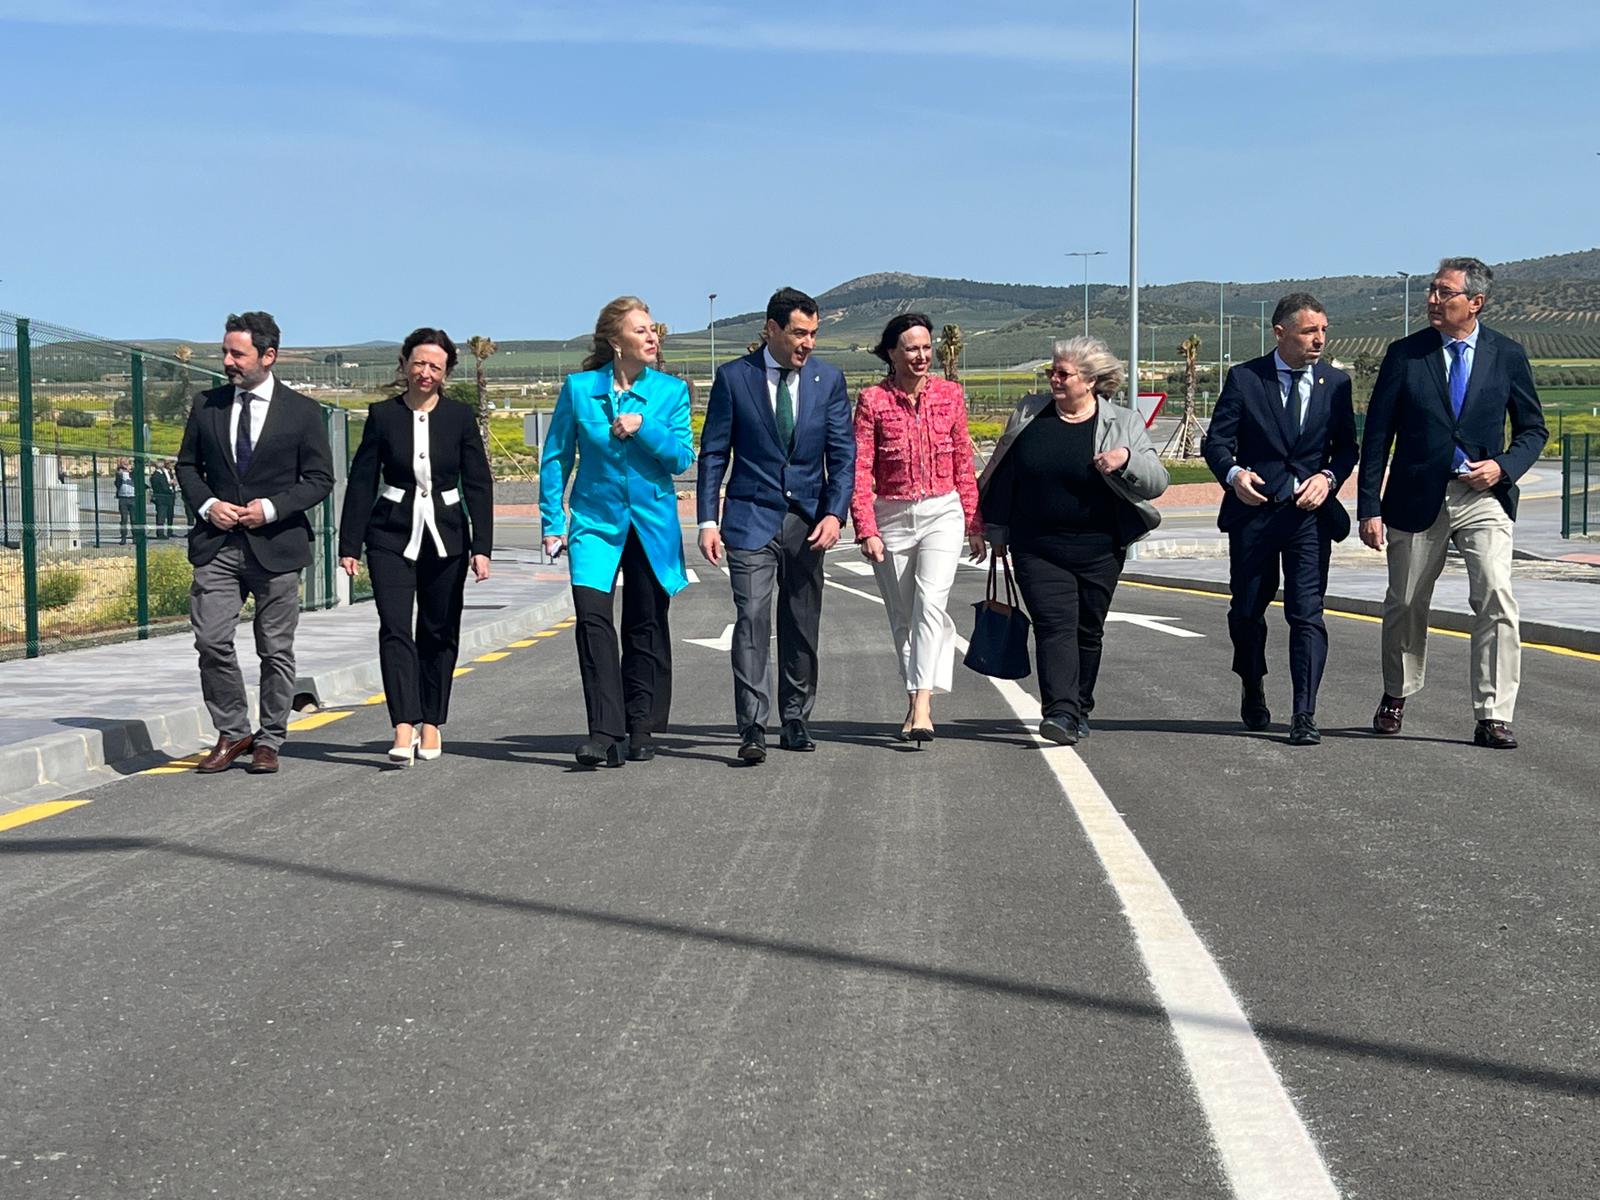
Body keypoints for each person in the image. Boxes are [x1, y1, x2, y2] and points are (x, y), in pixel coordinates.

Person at [1358, 256, 1548, 749]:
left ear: (1476, 302)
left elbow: (1533, 430)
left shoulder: (1507, 354)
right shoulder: (1405, 355)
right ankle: (1396, 691)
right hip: (1416, 496)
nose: (1433, 300)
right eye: (1431, 290)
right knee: (1405, 600)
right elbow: (1377, 436)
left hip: (1483, 495)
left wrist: (1503, 467)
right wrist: (1369, 507)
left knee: (1496, 597)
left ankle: (1493, 712)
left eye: (1445, 292)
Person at [979, 336, 1169, 746]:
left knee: (1088, 630)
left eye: (1062, 373)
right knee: (1054, 626)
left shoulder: (1123, 423)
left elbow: (1157, 482)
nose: (1054, 379)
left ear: (1090, 380)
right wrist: (993, 531)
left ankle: (1080, 706)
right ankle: (1060, 712)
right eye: (1052, 371)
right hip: (1037, 546)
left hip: (1101, 548)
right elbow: (1004, 473)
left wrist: (1126, 460)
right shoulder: (1030, 413)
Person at [696, 287, 856, 763]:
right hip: (749, 519)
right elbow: (713, 453)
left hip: (808, 522)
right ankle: (752, 726)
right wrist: (708, 519)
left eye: (813, 334)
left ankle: (795, 717)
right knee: (751, 620)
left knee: (801, 622)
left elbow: (842, 456)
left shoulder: (828, 380)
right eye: (798, 333)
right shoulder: (733, 379)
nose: (807, 343)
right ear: (771, 330)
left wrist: (834, 512)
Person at [176, 311, 335, 775]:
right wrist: (208, 505)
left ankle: (269, 739)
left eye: (237, 353)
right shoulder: (207, 405)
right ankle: (232, 730)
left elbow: (320, 479)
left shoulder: (303, 412)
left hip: (278, 547)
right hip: (217, 545)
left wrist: (271, 507)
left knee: (275, 650)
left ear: (268, 356)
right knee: (211, 640)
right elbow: (187, 467)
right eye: (225, 352)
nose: (227, 361)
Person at [540, 297, 694, 768]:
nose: (653, 338)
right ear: (615, 341)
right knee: (592, 623)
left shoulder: (671, 392)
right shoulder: (579, 389)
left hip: (651, 525)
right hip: (594, 524)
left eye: (655, 330)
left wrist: (644, 427)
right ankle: (604, 732)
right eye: (642, 330)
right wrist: (553, 522)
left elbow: (681, 459)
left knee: (645, 625)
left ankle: (642, 726)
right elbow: (556, 458)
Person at [1203, 293, 1358, 746]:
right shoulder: (1245, 379)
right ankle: (1252, 684)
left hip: (1308, 518)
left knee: (1307, 614)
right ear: (1280, 333)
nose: (1320, 339)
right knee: (1247, 612)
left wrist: (1328, 478)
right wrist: (1234, 475)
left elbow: (1347, 449)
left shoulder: (1336, 383)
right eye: (1310, 331)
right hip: (1254, 515)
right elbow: (1216, 443)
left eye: (1324, 330)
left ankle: (1304, 713)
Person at [338, 328, 493, 766]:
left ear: (446, 374)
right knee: (394, 627)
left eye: (435, 367)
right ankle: (403, 725)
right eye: (419, 363)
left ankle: (432, 722)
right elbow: (363, 480)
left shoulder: (459, 417)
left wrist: (482, 545)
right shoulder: (382, 415)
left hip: (447, 537)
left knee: (439, 630)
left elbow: (478, 484)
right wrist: (350, 543)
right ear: (404, 363)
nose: (425, 373)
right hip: (390, 535)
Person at [851, 313, 985, 743]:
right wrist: (866, 527)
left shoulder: (951, 395)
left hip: (941, 511)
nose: (922, 356)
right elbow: (859, 468)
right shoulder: (873, 400)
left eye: (927, 347)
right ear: (891, 353)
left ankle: (923, 703)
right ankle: (913, 697)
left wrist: (973, 521)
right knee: (903, 615)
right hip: (891, 515)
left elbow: (964, 459)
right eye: (912, 348)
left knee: (931, 603)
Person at [149, 458, 178, 539]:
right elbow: (159, 485)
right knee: (161, 516)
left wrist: (173, 484)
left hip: (170, 497)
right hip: (162, 497)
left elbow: (171, 481)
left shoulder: (169, 473)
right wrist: (168, 484)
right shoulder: (156, 474)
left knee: (170, 515)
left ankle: (170, 532)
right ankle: (160, 533)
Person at [114, 459, 136, 544]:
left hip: (133, 497)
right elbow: (117, 482)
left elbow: (136, 473)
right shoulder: (119, 473)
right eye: (123, 464)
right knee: (124, 519)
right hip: (123, 498)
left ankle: (135, 537)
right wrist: (121, 471)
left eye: (126, 463)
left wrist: (131, 469)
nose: (125, 465)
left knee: (134, 519)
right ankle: (123, 537)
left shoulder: (132, 473)